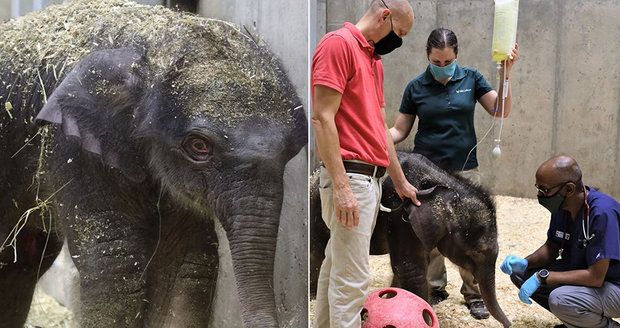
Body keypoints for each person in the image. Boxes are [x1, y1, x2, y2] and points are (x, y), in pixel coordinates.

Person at [388, 27, 519, 319]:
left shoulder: (472, 78)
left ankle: (474, 293)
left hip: (464, 172)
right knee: (428, 233)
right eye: (437, 61)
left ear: (457, 56)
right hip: (427, 175)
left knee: (470, 237)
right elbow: (400, 129)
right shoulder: (416, 87)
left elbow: (500, 110)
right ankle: (434, 287)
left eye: (448, 62)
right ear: (428, 56)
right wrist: (376, 136)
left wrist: (506, 74)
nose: (443, 67)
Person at [311, 1, 420, 327]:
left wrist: (398, 180)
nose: (397, 42)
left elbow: (378, 126)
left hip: (369, 179)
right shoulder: (338, 45)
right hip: (351, 177)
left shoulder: (373, 59)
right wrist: (342, 185)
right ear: (385, 15)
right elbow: (322, 118)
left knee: (337, 270)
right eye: (398, 34)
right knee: (353, 281)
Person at [500, 155, 620, 328]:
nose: (540, 195)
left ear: (569, 189)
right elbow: (552, 247)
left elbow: (595, 277)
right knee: (522, 274)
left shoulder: (602, 213)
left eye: (544, 190)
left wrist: (543, 277)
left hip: (613, 283)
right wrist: (525, 262)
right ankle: (579, 322)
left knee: (560, 299)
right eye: (538, 188)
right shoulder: (562, 206)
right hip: (585, 271)